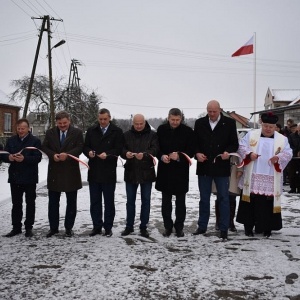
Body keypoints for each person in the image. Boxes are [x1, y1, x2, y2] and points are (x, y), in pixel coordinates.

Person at [236, 112, 292, 238]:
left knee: (267, 204)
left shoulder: (282, 139)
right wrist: (250, 154)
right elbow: (241, 146)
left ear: (275, 127)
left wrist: (278, 157)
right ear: (262, 124)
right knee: (250, 201)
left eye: (270, 127)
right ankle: (248, 227)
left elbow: (289, 153)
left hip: (270, 175)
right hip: (253, 175)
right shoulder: (252, 135)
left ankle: (267, 228)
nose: (268, 129)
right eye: (265, 126)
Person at [193, 100, 239, 240]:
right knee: (204, 198)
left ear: (220, 110)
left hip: (221, 167)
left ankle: (224, 228)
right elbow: (194, 142)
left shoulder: (229, 123)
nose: (212, 114)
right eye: (209, 111)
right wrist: (197, 153)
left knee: (223, 198)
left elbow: (234, 143)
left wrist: (228, 152)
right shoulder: (199, 123)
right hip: (204, 166)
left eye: (214, 111)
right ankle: (202, 226)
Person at [42, 111, 84, 238]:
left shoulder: (77, 133)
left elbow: (80, 147)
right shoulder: (50, 133)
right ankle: (53, 228)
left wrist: (68, 155)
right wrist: (52, 155)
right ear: (56, 122)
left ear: (69, 121)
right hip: (54, 172)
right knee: (53, 203)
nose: (62, 125)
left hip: (71, 172)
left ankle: (68, 228)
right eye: (60, 123)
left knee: (71, 202)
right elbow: (44, 147)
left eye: (64, 123)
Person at [155, 108, 195, 238]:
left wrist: (178, 156)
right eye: (173, 119)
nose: (175, 122)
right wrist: (162, 156)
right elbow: (156, 148)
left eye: (178, 120)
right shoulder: (161, 130)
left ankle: (179, 227)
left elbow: (191, 151)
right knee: (166, 202)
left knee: (180, 203)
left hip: (180, 172)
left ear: (181, 119)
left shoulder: (188, 131)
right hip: (165, 171)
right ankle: (167, 226)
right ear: (168, 118)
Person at [83, 108, 123, 237]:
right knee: (95, 202)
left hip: (108, 171)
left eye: (105, 119)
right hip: (94, 170)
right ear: (97, 118)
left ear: (109, 118)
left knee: (109, 202)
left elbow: (119, 149)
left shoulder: (117, 131)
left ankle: (108, 227)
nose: (103, 121)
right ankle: (96, 226)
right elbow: (85, 146)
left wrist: (109, 154)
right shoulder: (91, 130)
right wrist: (88, 152)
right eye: (100, 119)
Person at [120, 114, 159, 238]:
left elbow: (155, 149)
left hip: (146, 171)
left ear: (144, 122)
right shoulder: (126, 135)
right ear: (133, 123)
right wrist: (126, 153)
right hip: (131, 171)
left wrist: (146, 155)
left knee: (146, 201)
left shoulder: (152, 135)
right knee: (130, 201)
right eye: (136, 124)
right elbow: (121, 149)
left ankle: (143, 226)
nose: (138, 126)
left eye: (140, 124)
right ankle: (129, 226)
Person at [2, 118, 42, 237]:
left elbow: (38, 158)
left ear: (28, 128)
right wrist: (9, 158)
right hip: (15, 176)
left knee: (30, 203)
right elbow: (4, 154)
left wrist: (25, 159)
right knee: (16, 204)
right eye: (18, 128)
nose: (20, 131)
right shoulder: (11, 140)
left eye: (23, 128)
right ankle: (16, 227)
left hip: (30, 177)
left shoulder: (35, 141)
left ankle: (29, 228)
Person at [214, 156, 243, 232]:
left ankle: (230, 221)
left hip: (234, 167)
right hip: (220, 167)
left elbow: (241, 154)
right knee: (220, 195)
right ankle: (219, 221)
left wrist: (240, 169)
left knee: (232, 196)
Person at [287, 122, 300, 193]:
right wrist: (296, 152)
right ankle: (293, 188)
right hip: (293, 158)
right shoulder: (291, 136)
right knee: (292, 173)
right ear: (297, 129)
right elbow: (289, 146)